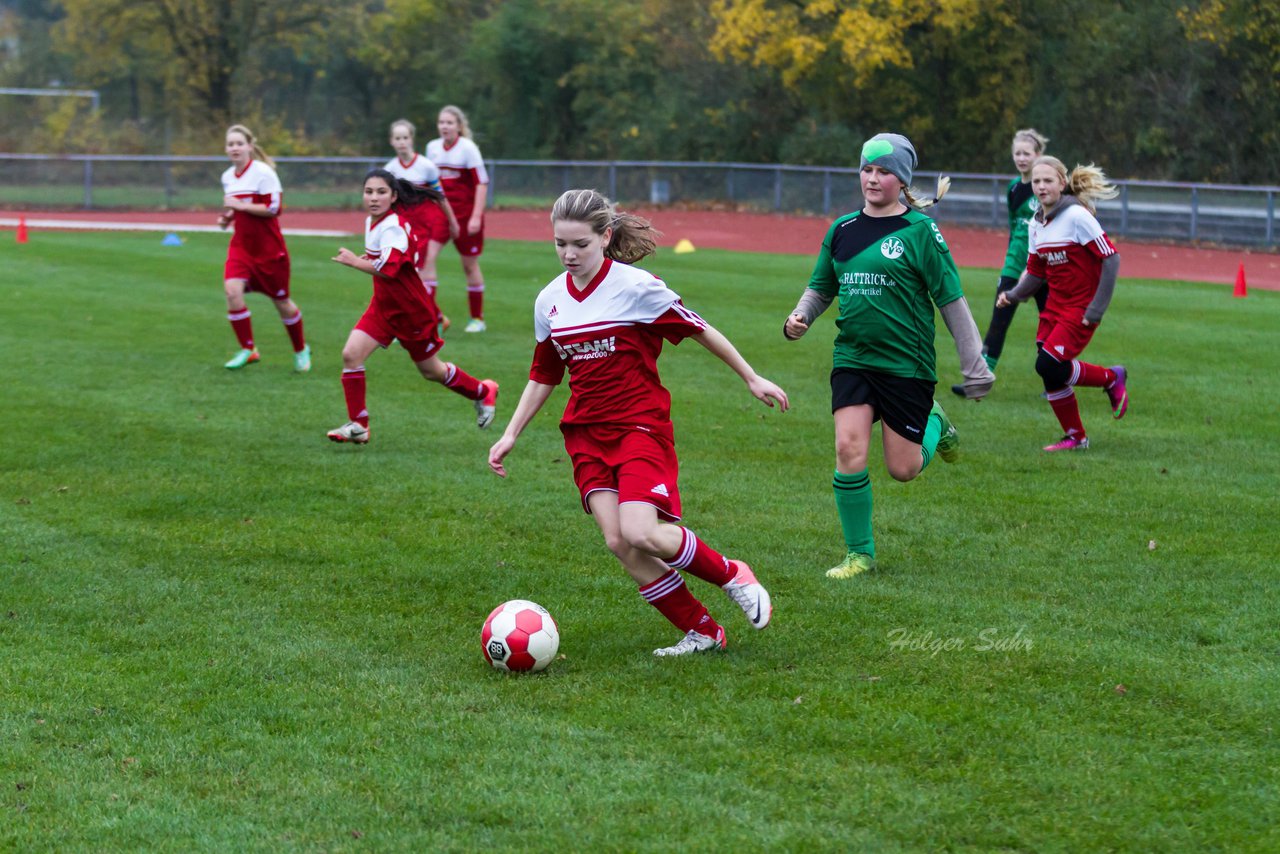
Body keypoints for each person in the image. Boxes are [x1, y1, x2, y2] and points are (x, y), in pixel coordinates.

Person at [488, 189, 789, 657]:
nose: (569, 254)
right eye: (559, 244)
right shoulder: (549, 300)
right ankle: (703, 631)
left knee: (641, 531)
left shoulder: (636, 287)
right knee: (620, 542)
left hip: (638, 425)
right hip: (586, 434)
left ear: (605, 237)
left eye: (580, 244)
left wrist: (751, 377)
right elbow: (545, 372)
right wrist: (510, 434)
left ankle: (733, 574)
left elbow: (699, 328)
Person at [783, 132, 994, 579]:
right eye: (866, 169)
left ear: (902, 180)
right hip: (853, 358)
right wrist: (800, 316)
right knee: (848, 448)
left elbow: (951, 300)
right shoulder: (842, 229)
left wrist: (975, 365)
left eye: (883, 171)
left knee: (903, 468)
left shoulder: (921, 231)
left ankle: (936, 421)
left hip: (906, 364)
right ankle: (859, 554)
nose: (872, 179)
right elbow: (822, 286)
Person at [327, 169, 499, 445]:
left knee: (431, 371)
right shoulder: (373, 221)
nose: (373, 197)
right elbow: (388, 259)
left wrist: (354, 262)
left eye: (381, 192)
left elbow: (389, 270)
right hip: (384, 307)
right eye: (369, 191)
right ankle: (359, 425)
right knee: (351, 355)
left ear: (393, 196)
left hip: (410, 311)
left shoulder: (392, 226)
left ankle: (482, 391)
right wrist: (367, 258)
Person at [995, 156, 1128, 451]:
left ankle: (1111, 378)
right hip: (1054, 307)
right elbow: (1036, 272)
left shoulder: (1077, 217)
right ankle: (1076, 437)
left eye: (1048, 181)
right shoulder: (1035, 224)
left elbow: (1111, 257)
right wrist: (1014, 294)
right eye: (1037, 182)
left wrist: (1096, 309)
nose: (1042, 186)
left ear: (1061, 183)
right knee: (1049, 369)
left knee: (1049, 364)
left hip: (1081, 308)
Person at [951, 128, 1050, 397]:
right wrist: (1012, 264)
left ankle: (1054, 383)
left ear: (1037, 155)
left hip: (1042, 266)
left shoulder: (1044, 186)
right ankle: (979, 381)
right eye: (1017, 153)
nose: (1021, 158)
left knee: (1049, 324)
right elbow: (1013, 228)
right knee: (999, 320)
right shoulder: (1012, 188)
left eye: (1026, 153)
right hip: (1013, 264)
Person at [217, 124, 311, 371]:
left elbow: (273, 208)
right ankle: (248, 349)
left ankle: (301, 349)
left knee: (282, 303)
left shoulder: (263, 172)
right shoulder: (227, 176)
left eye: (239, 143)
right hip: (241, 247)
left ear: (249, 146)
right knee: (232, 291)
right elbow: (238, 207)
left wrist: (240, 206)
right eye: (230, 144)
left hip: (269, 250)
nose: (234, 148)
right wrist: (228, 217)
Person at [384, 118, 460, 332]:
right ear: (392, 141)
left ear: (412, 139)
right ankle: (434, 317)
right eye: (397, 138)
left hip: (424, 226)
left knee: (417, 272)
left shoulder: (426, 166)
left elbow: (440, 197)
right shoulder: (390, 170)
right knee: (404, 274)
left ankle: (422, 322)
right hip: (401, 227)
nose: (402, 142)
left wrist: (452, 222)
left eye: (405, 137)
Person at [426, 105, 490, 332]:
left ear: (459, 126)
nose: (444, 126)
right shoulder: (432, 148)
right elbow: (429, 182)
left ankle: (477, 319)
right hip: (440, 215)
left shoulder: (468, 148)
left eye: (449, 122)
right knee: (426, 257)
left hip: (465, 215)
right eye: (441, 122)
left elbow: (481, 183)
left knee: (469, 265)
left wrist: (475, 216)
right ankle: (433, 317)